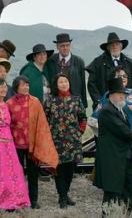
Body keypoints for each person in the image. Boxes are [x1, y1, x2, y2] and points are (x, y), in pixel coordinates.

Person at [94, 78, 132, 215]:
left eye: (124, 94)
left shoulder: (119, 109)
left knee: (131, 187)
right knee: (113, 191)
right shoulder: (107, 111)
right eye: (120, 94)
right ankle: (109, 215)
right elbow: (122, 130)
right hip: (113, 157)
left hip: (126, 154)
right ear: (111, 95)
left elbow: (124, 131)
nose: (122, 96)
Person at [7, 76, 59, 208]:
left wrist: (40, 142)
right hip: (15, 145)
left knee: (33, 174)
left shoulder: (35, 101)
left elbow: (42, 124)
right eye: (23, 85)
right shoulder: (9, 103)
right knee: (15, 174)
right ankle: (17, 199)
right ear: (16, 87)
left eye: (27, 85)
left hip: (32, 144)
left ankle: (33, 200)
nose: (26, 87)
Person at [0, 79, 31, 210]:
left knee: (12, 172)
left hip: (9, 143)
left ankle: (14, 199)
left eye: (5, 87)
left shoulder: (4, 104)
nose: (4, 89)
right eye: (0, 87)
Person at [44, 73, 87, 208]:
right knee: (59, 169)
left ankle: (65, 193)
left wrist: (79, 132)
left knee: (70, 169)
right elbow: (44, 120)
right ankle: (62, 197)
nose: (63, 84)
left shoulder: (76, 99)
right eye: (60, 82)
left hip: (73, 141)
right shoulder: (50, 101)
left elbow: (83, 117)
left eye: (66, 81)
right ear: (56, 85)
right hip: (56, 141)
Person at [87, 32, 132, 109]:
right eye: (112, 45)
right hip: (105, 106)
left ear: (121, 46)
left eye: (117, 44)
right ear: (108, 48)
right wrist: (99, 102)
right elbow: (91, 85)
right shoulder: (97, 63)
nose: (114, 47)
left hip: (128, 106)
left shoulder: (130, 63)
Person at [44, 33, 88, 108]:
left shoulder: (79, 62)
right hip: (55, 102)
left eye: (67, 45)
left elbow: (82, 84)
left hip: (74, 102)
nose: (65, 48)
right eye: (62, 46)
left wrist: (84, 104)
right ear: (57, 47)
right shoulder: (51, 60)